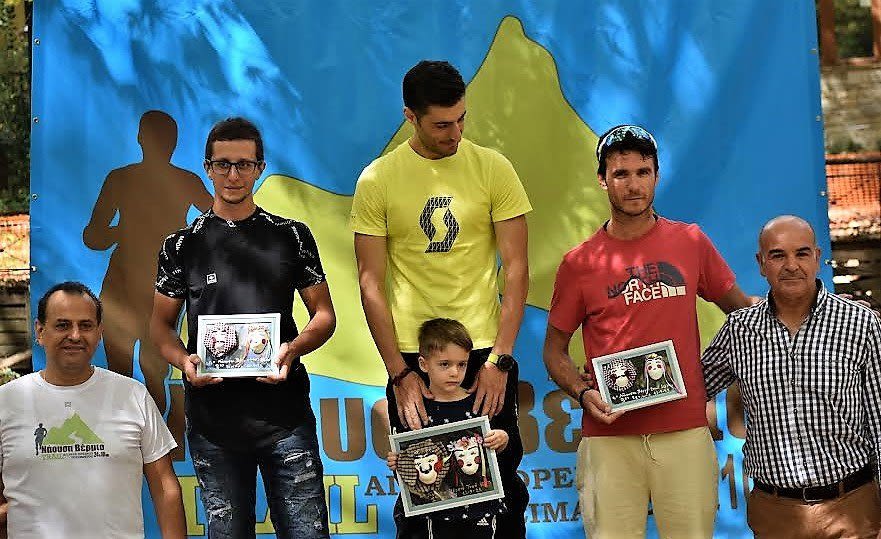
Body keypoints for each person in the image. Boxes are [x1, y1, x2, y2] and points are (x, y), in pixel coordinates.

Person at [542, 124, 754, 538]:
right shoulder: (579, 264)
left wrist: (806, 317)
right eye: (621, 174)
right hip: (609, 438)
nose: (633, 184)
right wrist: (583, 393)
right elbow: (553, 352)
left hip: (684, 432)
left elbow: (745, 313)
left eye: (643, 172)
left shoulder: (690, 241)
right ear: (602, 180)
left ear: (657, 176)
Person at [351, 59, 530, 535]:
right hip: (414, 358)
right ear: (410, 116)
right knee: (422, 489)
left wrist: (501, 359)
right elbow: (370, 282)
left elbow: (516, 270)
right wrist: (399, 372)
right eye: (441, 125)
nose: (455, 133)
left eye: (461, 119)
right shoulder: (378, 179)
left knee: (500, 482)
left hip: (485, 353)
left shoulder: (494, 168)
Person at [150, 117, 336, 538]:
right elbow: (160, 327)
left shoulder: (291, 236)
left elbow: (324, 316)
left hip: (286, 419)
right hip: (213, 425)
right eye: (223, 164)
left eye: (244, 164)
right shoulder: (180, 245)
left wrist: (292, 349)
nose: (233, 175)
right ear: (207, 168)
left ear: (260, 168)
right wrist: (185, 362)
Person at [702, 215, 881, 538]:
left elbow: (879, 421)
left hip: (852, 508)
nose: (791, 265)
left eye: (801, 253)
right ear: (761, 264)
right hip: (775, 514)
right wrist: (621, 390)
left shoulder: (861, 324)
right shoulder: (740, 330)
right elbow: (689, 389)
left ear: (817, 257)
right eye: (778, 255)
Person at [0, 281, 185, 538]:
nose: (75, 335)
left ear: (99, 332)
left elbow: (165, 487)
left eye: (85, 325)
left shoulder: (132, 396)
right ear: (40, 331)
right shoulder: (7, 401)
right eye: (62, 325)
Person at [83, 110, 213, 415]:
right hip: (124, 287)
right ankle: (127, 437)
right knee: (124, 373)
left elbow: (217, 225)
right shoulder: (123, 179)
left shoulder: (182, 181)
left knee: (153, 372)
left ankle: (154, 440)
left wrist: (184, 239)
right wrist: (124, 231)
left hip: (162, 289)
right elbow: (93, 236)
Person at [386, 318, 526, 538]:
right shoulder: (416, 410)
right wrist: (397, 461)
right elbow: (410, 462)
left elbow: (501, 448)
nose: (454, 372)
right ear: (423, 364)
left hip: (481, 514)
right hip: (433, 519)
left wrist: (501, 439)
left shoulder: (480, 404)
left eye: (462, 364)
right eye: (445, 364)